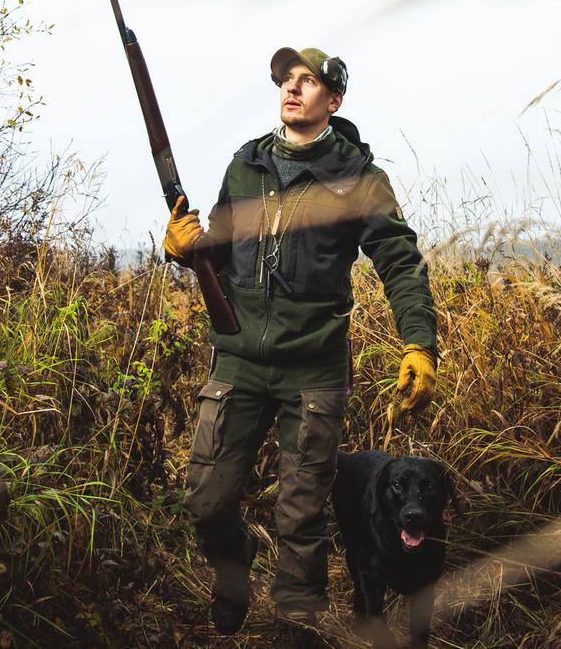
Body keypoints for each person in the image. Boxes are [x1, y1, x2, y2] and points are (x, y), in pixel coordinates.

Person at [163, 46, 437, 644]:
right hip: (238, 355)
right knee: (207, 501)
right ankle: (233, 573)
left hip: (313, 364)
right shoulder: (247, 165)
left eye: (307, 81)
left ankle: (297, 620)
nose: (292, 89)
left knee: (303, 508)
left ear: (333, 100)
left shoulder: (359, 179)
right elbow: (219, 247)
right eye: (285, 80)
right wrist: (185, 247)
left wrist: (418, 344)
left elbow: (399, 261)